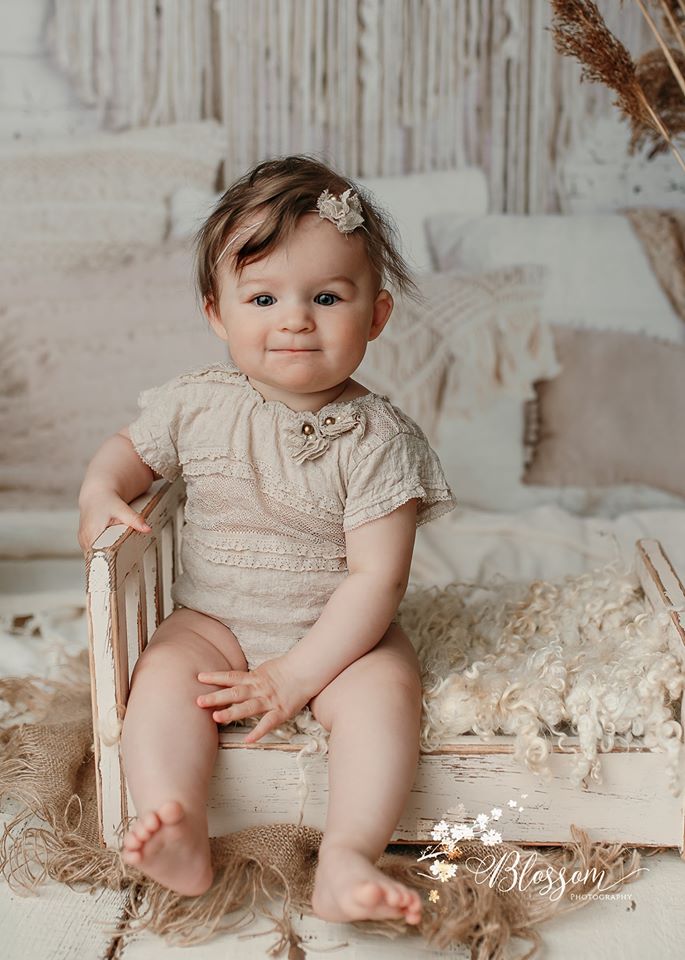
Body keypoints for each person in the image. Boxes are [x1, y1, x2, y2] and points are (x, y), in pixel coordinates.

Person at [78, 154, 457, 926]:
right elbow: (129, 451)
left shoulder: (379, 438)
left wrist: (297, 674)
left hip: (338, 635)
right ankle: (176, 817)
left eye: (325, 296)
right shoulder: (195, 404)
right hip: (213, 619)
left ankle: (347, 855)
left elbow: (375, 582)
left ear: (376, 316)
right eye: (262, 296)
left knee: (387, 695)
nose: (293, 318)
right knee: (161, 677)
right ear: (217, 313)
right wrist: (98, 489)